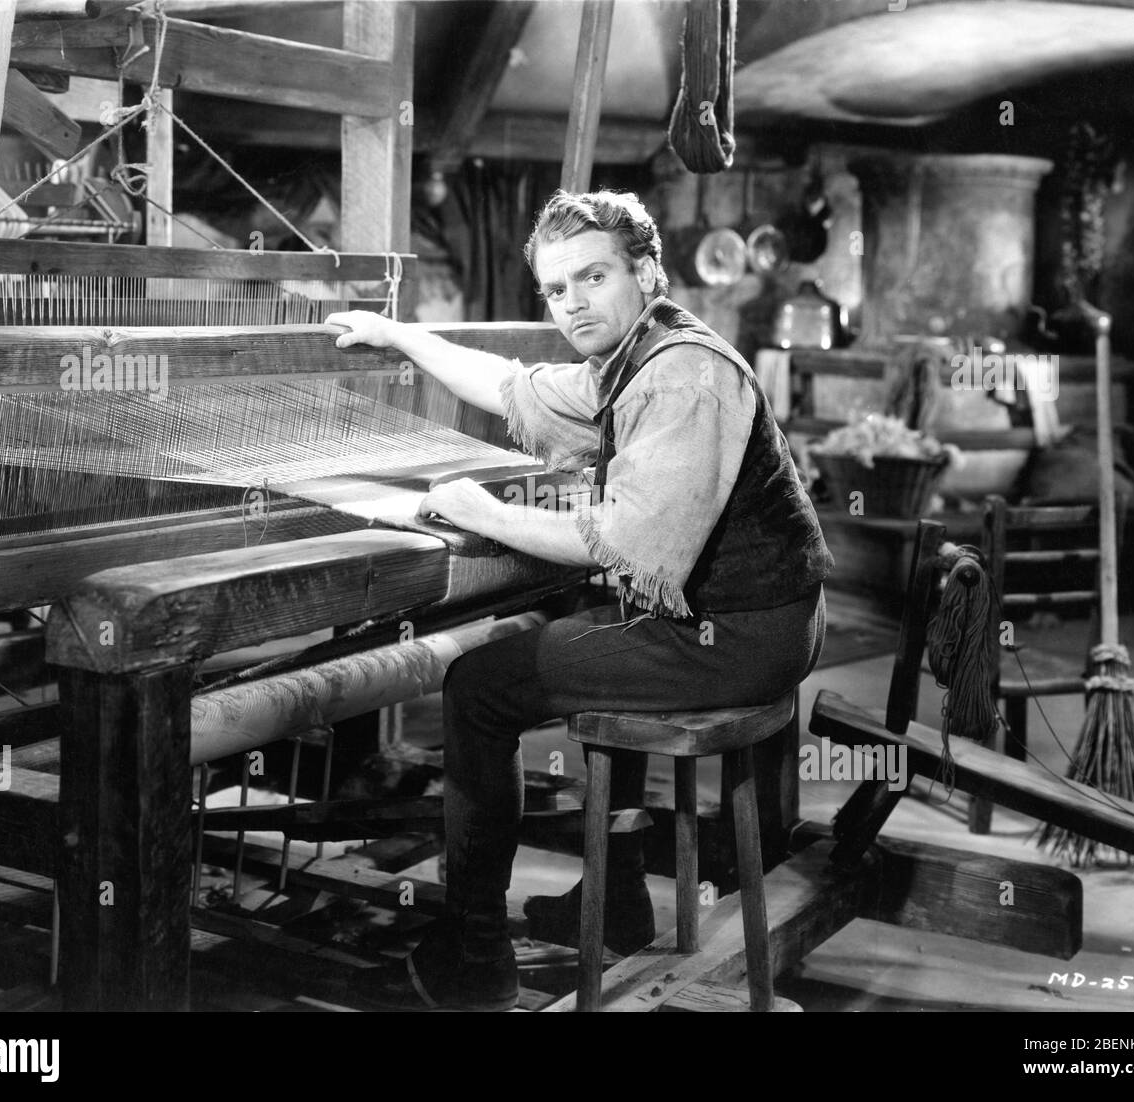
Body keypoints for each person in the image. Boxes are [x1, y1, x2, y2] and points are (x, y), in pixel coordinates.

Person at [325, 189, 833, 1011]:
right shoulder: (632, 358)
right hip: (750, 619)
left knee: (479, 689)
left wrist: (484, 514)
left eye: (593, 278)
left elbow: (629, 545)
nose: (573, 304)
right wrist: (395, 334)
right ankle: (621, 901)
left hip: (741, 638)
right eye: (557, 290)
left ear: (646, 271)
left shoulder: (683, 376)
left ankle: (476, 958)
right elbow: (514, 387)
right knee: (580, 621)